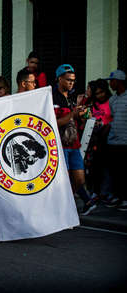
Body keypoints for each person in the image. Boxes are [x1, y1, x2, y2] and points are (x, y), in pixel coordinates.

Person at [52, 64, 92, 213]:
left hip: (74, 144)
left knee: (80, 179)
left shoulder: (72, 96)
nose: (71, 83)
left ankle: (72, 204)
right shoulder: (52, 96)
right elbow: (53, 123)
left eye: (73, 80)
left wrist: (83, 116)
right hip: (60, 145)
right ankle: (66, 211)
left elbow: (74, 120)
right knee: (65, 181)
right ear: (59, 79)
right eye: (68, 80)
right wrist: (72, 115)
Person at [81, 79, 114, 214]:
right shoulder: (92, 105)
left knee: (106, 168)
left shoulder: (110, 103)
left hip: (107, 140)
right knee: (93, 168)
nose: (100, 96)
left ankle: (106, 193)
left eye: (102, 93)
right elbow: (87, 119)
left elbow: (111, 120)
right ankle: (95, 192)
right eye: (97, 93)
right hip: (93, 139)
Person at [104, 70, 127, 211]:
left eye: (112, 81)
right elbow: (109, 119)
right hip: (113, 142)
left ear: (118, 82)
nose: (110, 84)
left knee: (125, 172)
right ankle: (118, 197)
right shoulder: (112, 100)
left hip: (125, 142)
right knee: (115, 172)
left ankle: (125, 199)